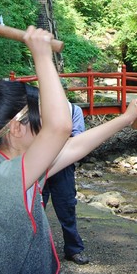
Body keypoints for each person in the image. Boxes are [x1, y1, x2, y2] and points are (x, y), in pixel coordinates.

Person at [0, 27, 137, 274]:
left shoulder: (8, 165)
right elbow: (60, 128)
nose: (45, 124)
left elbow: (73, 146)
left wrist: (125, 119)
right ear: (16, 128)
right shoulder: (5, 178)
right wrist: (41, 54)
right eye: (39, 116)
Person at [42, 101, 89, 264]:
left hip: (64, 165)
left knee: (67, 208)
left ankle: (74, 249)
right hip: (40, 163)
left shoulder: (74, 110)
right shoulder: (38, 108)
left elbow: (78, 138)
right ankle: (32, 249)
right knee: (35, 207)